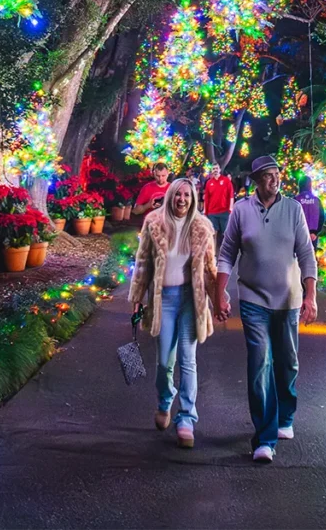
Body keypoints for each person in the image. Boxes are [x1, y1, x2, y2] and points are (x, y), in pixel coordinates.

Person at [215, 155, 318, 464]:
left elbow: (306, 254)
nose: (275, 180)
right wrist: (219, 293)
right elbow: (227, 253)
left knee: (287, 363)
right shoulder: (242, 210)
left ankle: (286, 414)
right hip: (253, 299)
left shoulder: (293, 209)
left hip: (288, 300)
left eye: (277, 174)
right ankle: (264, 438)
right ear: (257, 180)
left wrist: (311, 296)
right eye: (268, 176)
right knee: (260, 363)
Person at [129, 179, 219, 449]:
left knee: (188, 360)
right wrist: (136, 298)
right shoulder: (154, 222)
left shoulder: (202, 226)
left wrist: (219, 299)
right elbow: (143, 262)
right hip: (163, 300)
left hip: (191, 300)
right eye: (178, 194)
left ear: (193, 199)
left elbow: (210, 268)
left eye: (187, 195)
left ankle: (187, 418)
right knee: (165, 363)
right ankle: (164, 402)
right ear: (170, 196)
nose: (182, 199)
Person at [203, 163, 234, 245]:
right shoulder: (209, 183)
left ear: (220, 170)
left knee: (225, 234)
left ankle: (225, 252)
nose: (215, 170)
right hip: (212, 212)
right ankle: (213, 253)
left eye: (217, 168)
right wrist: (205, 211)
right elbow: (207, 198)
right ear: (212, 171)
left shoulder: (226, 180)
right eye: (213, 169)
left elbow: (231, 195)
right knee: (213, 233)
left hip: (224, 211)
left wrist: (230, 209)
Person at [294, 176, 325, 244]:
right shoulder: (317, 200)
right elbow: (322, 217)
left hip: (298, 235)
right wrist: (315, 233)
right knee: (311, 254)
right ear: (310, 185)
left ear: (299, 185)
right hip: (312, 236)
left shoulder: (295, 200)